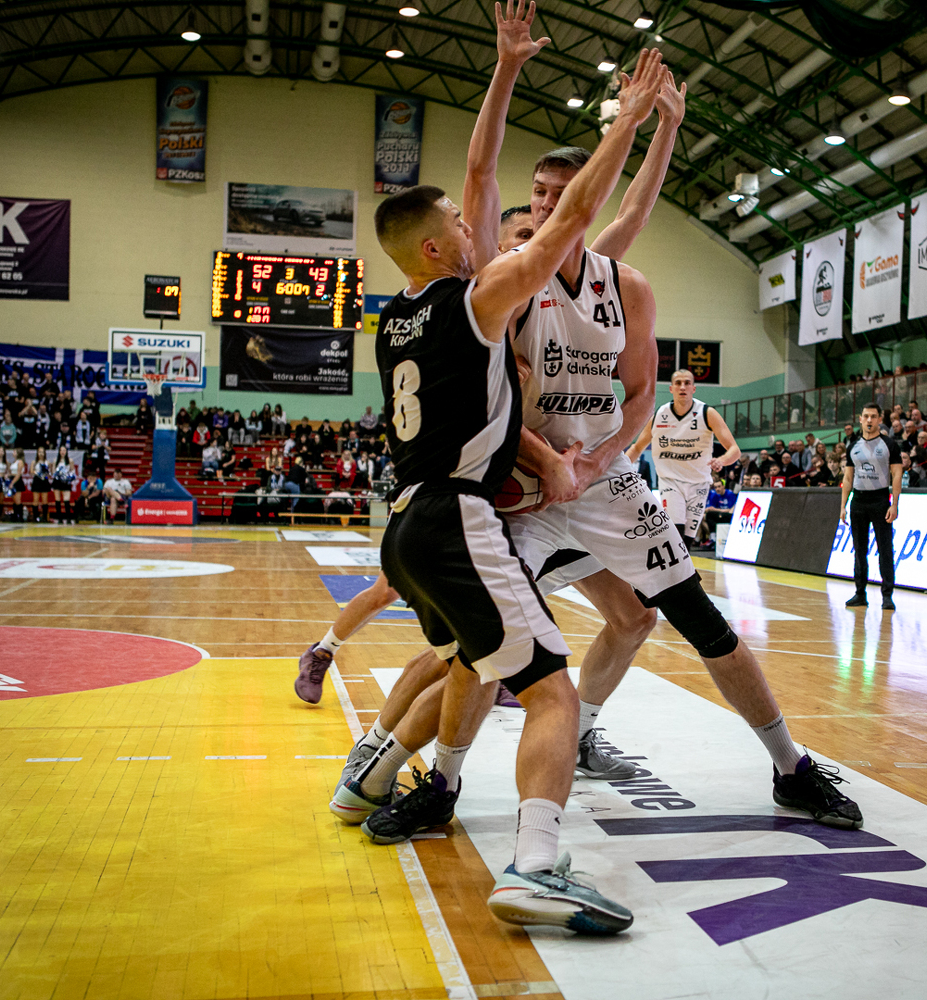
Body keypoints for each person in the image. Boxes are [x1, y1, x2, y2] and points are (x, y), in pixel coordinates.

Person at [336, 44, 666, 935]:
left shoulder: (394, 319)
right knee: (551, 692)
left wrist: (507, 66)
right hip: (462, 515)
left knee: (471, 665)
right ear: (439, 245)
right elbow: (578, 213)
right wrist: (629, 122)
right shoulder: (478, 300)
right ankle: (535, 867)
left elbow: (489, 177)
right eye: (458, 218)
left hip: (406, 522)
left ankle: (370, 778)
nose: (475, 220)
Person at [625, 367, 740, 549]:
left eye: (687, 383)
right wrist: (618, 468)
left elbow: (735, 450)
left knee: (686, 540)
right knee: (675, 533)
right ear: (671, 389)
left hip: (699, 483)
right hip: (671, 482)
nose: (683, 387)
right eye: (678, 383)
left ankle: (678, 567)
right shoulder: (659, 415)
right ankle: (671, 567)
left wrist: (722, 460)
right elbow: (637, 447)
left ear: (693, 388)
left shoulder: (707, 413)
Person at [838, 402, 901, 611]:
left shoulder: (889, 445)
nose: (869, 420)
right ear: (860, 419)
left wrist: (894, 504)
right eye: (866, 416)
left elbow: (897, 475)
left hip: (880, 500)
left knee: (885, 549)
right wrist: (843, 506)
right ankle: (860, 593)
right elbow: (848, 478)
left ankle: (887, 595)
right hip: (858, 501)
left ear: (880, 419)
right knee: (859, 550)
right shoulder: (853, 446)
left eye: (873, 416)